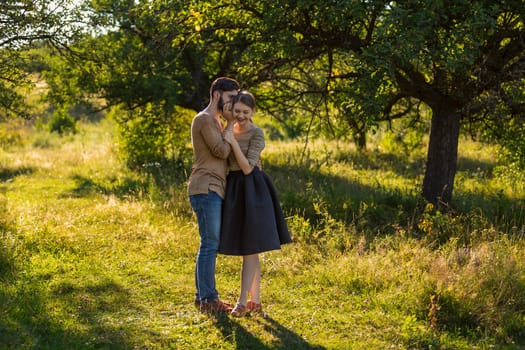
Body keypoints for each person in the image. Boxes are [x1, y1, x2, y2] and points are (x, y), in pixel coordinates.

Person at [219, 91, 292, 317]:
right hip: (233, 189)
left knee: (250, 248)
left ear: (253, 112)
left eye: (245, 112)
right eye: (237, 111)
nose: (240, 116)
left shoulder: (257, 133)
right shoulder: (227, 129)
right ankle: (256, 302)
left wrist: (232, 141)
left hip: (253, 189)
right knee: (250, 248)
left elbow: (248, 167)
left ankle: (241, 302)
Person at [187, 77, 239, 313]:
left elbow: (228, 155)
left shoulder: (216, 123)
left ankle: (203, 297)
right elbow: (221, 151)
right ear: (217, 94)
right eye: (230, 98)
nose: (232, 104)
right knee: (209, 244)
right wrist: (230, 125)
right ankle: (208, 299)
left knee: (209, 243)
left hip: (214, 187)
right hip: (206, 187)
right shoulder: (205, 119)